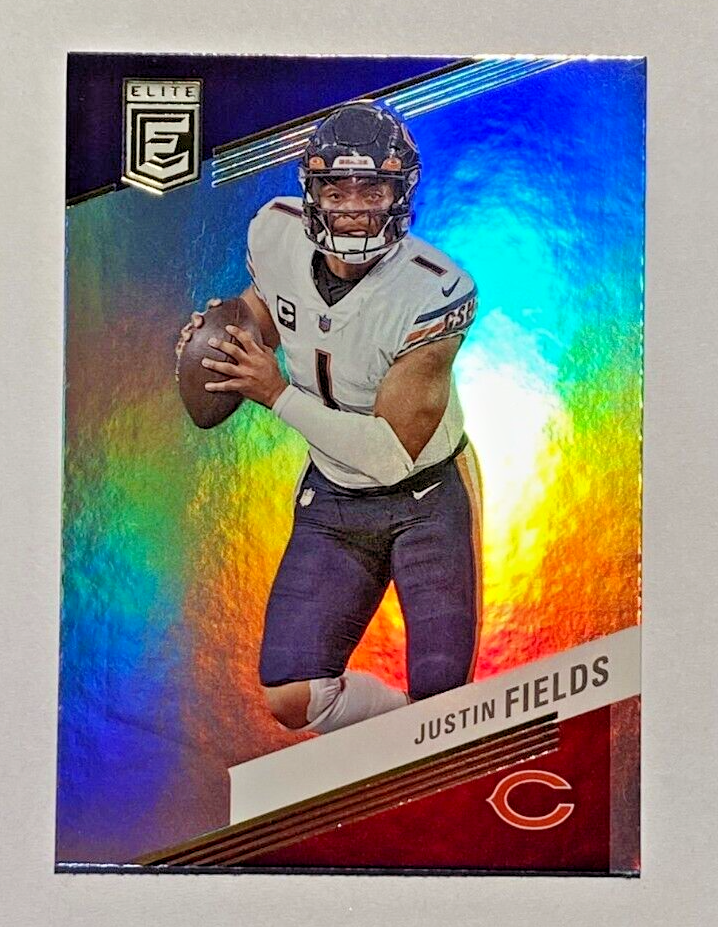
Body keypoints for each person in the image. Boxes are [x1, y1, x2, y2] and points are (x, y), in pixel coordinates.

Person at [176, 102, 483, 735]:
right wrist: (226, 335)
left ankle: (425, 730)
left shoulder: (434, 290)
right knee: (293, 699)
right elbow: (270, 310)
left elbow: (389, 455)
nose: (351, 208)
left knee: (444, 709)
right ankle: (400, 729)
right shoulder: (277, 231)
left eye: (372, 190)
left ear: (400, 193)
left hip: (424, 496)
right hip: (335, 496)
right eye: (335, 189)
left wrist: (277, 394)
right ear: (310, 190)